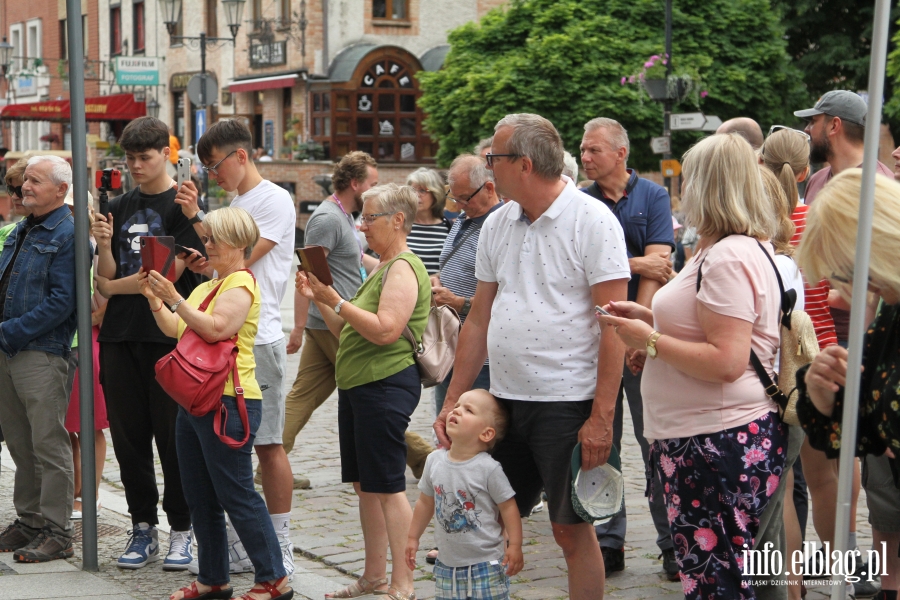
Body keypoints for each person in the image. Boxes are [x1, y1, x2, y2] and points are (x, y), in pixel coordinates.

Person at [436, 113, 631, 600]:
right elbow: (478, 318)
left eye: (493, 159)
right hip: (504, 398)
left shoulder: (592, 220)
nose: (487, 167)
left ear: (522, 164)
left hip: (568, 400)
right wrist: (453, 398)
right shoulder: (499, 222)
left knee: (569, 529)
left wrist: (602, 417)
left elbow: (616, 328)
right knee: (486, 521)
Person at [600, 133, 786, 599]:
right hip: (707, 437)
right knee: (724, 575)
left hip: (715, 440)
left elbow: (727, 361)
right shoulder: (721, 247)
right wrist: (650, 319)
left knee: (718, 581)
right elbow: (706, 327)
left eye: (690, 180)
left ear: (708, 186)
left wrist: (653, 339)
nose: (682, 191)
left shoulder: (726, 256)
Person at [138, 207, 292, 600]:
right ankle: (213, 578)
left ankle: (273, 579)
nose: (208, 246)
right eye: (206, 239)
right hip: (196, 399)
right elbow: (177, 329)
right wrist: (156, 301)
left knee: (236, 491)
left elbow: (217, 329)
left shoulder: (239, 283)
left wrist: (174, 297)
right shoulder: (208, 286)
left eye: (215, 240)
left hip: (228, 399)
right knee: (199, 493)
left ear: (240, 243)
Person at [296, 183, 431, 600]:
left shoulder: (403, 268)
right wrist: (319, 298)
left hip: (383, 385)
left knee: (388, 487)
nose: (362, 225)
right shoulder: (380, 267)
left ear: (397, 221)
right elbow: (348, 329)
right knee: (365, 486)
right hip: (359, 385)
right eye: (362, 216)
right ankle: (373, 576)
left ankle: (403, 582)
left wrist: (335, 299)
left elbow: (387, 330)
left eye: (369, 217)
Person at [183, 119, 298, 578]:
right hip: (227, 336)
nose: (214, 175)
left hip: (260, 334)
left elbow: (242, 261)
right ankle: (241, 544)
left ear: (242, 156)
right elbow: (223, 267)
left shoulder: (272, 200)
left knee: (268, 444)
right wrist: (203, 261)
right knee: (227, 450)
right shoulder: (237, 201)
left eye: (216, 166)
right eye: (208, 168)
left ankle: (281, 541)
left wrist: (199, 224)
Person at [91, 116, 202, 570]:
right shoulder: (118, 203)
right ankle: (142, 528)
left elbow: (165, 282)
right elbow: (104, 280)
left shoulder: (183, 206)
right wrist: (103, 247)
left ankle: (181, 529)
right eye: (130, 158)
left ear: (166, 154)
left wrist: (122, 285)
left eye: (145, 157)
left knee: (172, 437)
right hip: (119, 335)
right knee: (128, 437)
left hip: (167, 336)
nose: (136, 165)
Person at [795, 90, 887, 593]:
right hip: (821, 338)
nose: (808, 130)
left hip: (861, 339)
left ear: (832, 125)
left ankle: (868, 567)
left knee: (855, 457)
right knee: (821, 457)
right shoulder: (818, 180)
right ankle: (841, 559)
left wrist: (836, 287)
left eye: (813, 122)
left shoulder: (876, 183)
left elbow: (880, 274)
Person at [578, 117, 677, 579]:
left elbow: (659, 271)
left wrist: (636, 335)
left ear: (621, 153)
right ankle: (608, 538)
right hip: (594, 339)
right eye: (582, 150)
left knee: (652, 440)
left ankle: (672, 541)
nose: (585, 157)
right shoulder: (579, 201)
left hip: (635, 338)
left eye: (594, 150)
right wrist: (635, 261)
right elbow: (584, 269)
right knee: (603, 441)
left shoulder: (653, 196)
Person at [0, 155, 77, 562]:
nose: (24, 186)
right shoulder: (21, 230)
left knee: (49, 444)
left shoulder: (67, 233)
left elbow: (63, 302)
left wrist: (8, 331)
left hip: (40, 352)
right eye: (25, 180)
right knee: (19, 442)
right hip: (8, 350)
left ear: (61, 190)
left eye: (34, 181)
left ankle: (58, 532)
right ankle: (29, 521)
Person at [406, 389, 523, 600]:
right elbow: (425, 502)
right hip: (446, 565)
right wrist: (413, 537)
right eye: (457, 406)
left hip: (486, 565)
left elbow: (509, 507)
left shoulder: (489, 469)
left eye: (468, 410)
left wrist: (514, 545)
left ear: (486, 433)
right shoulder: (434, 460)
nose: (457, 411)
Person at [62, 192, 109, 521]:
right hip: (59, 342)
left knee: (88, 424)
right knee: (64, 426)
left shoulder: (94, 245)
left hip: (86, 340)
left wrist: (83, 319)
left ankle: (87, 494)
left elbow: (106, 301)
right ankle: (72, 490)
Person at [406, 168, 451, 274]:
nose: (416, 195)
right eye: (412, 190)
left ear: (436, 194)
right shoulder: (400, 226)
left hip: (436, 290)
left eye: (422, 190)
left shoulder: (449, 227)